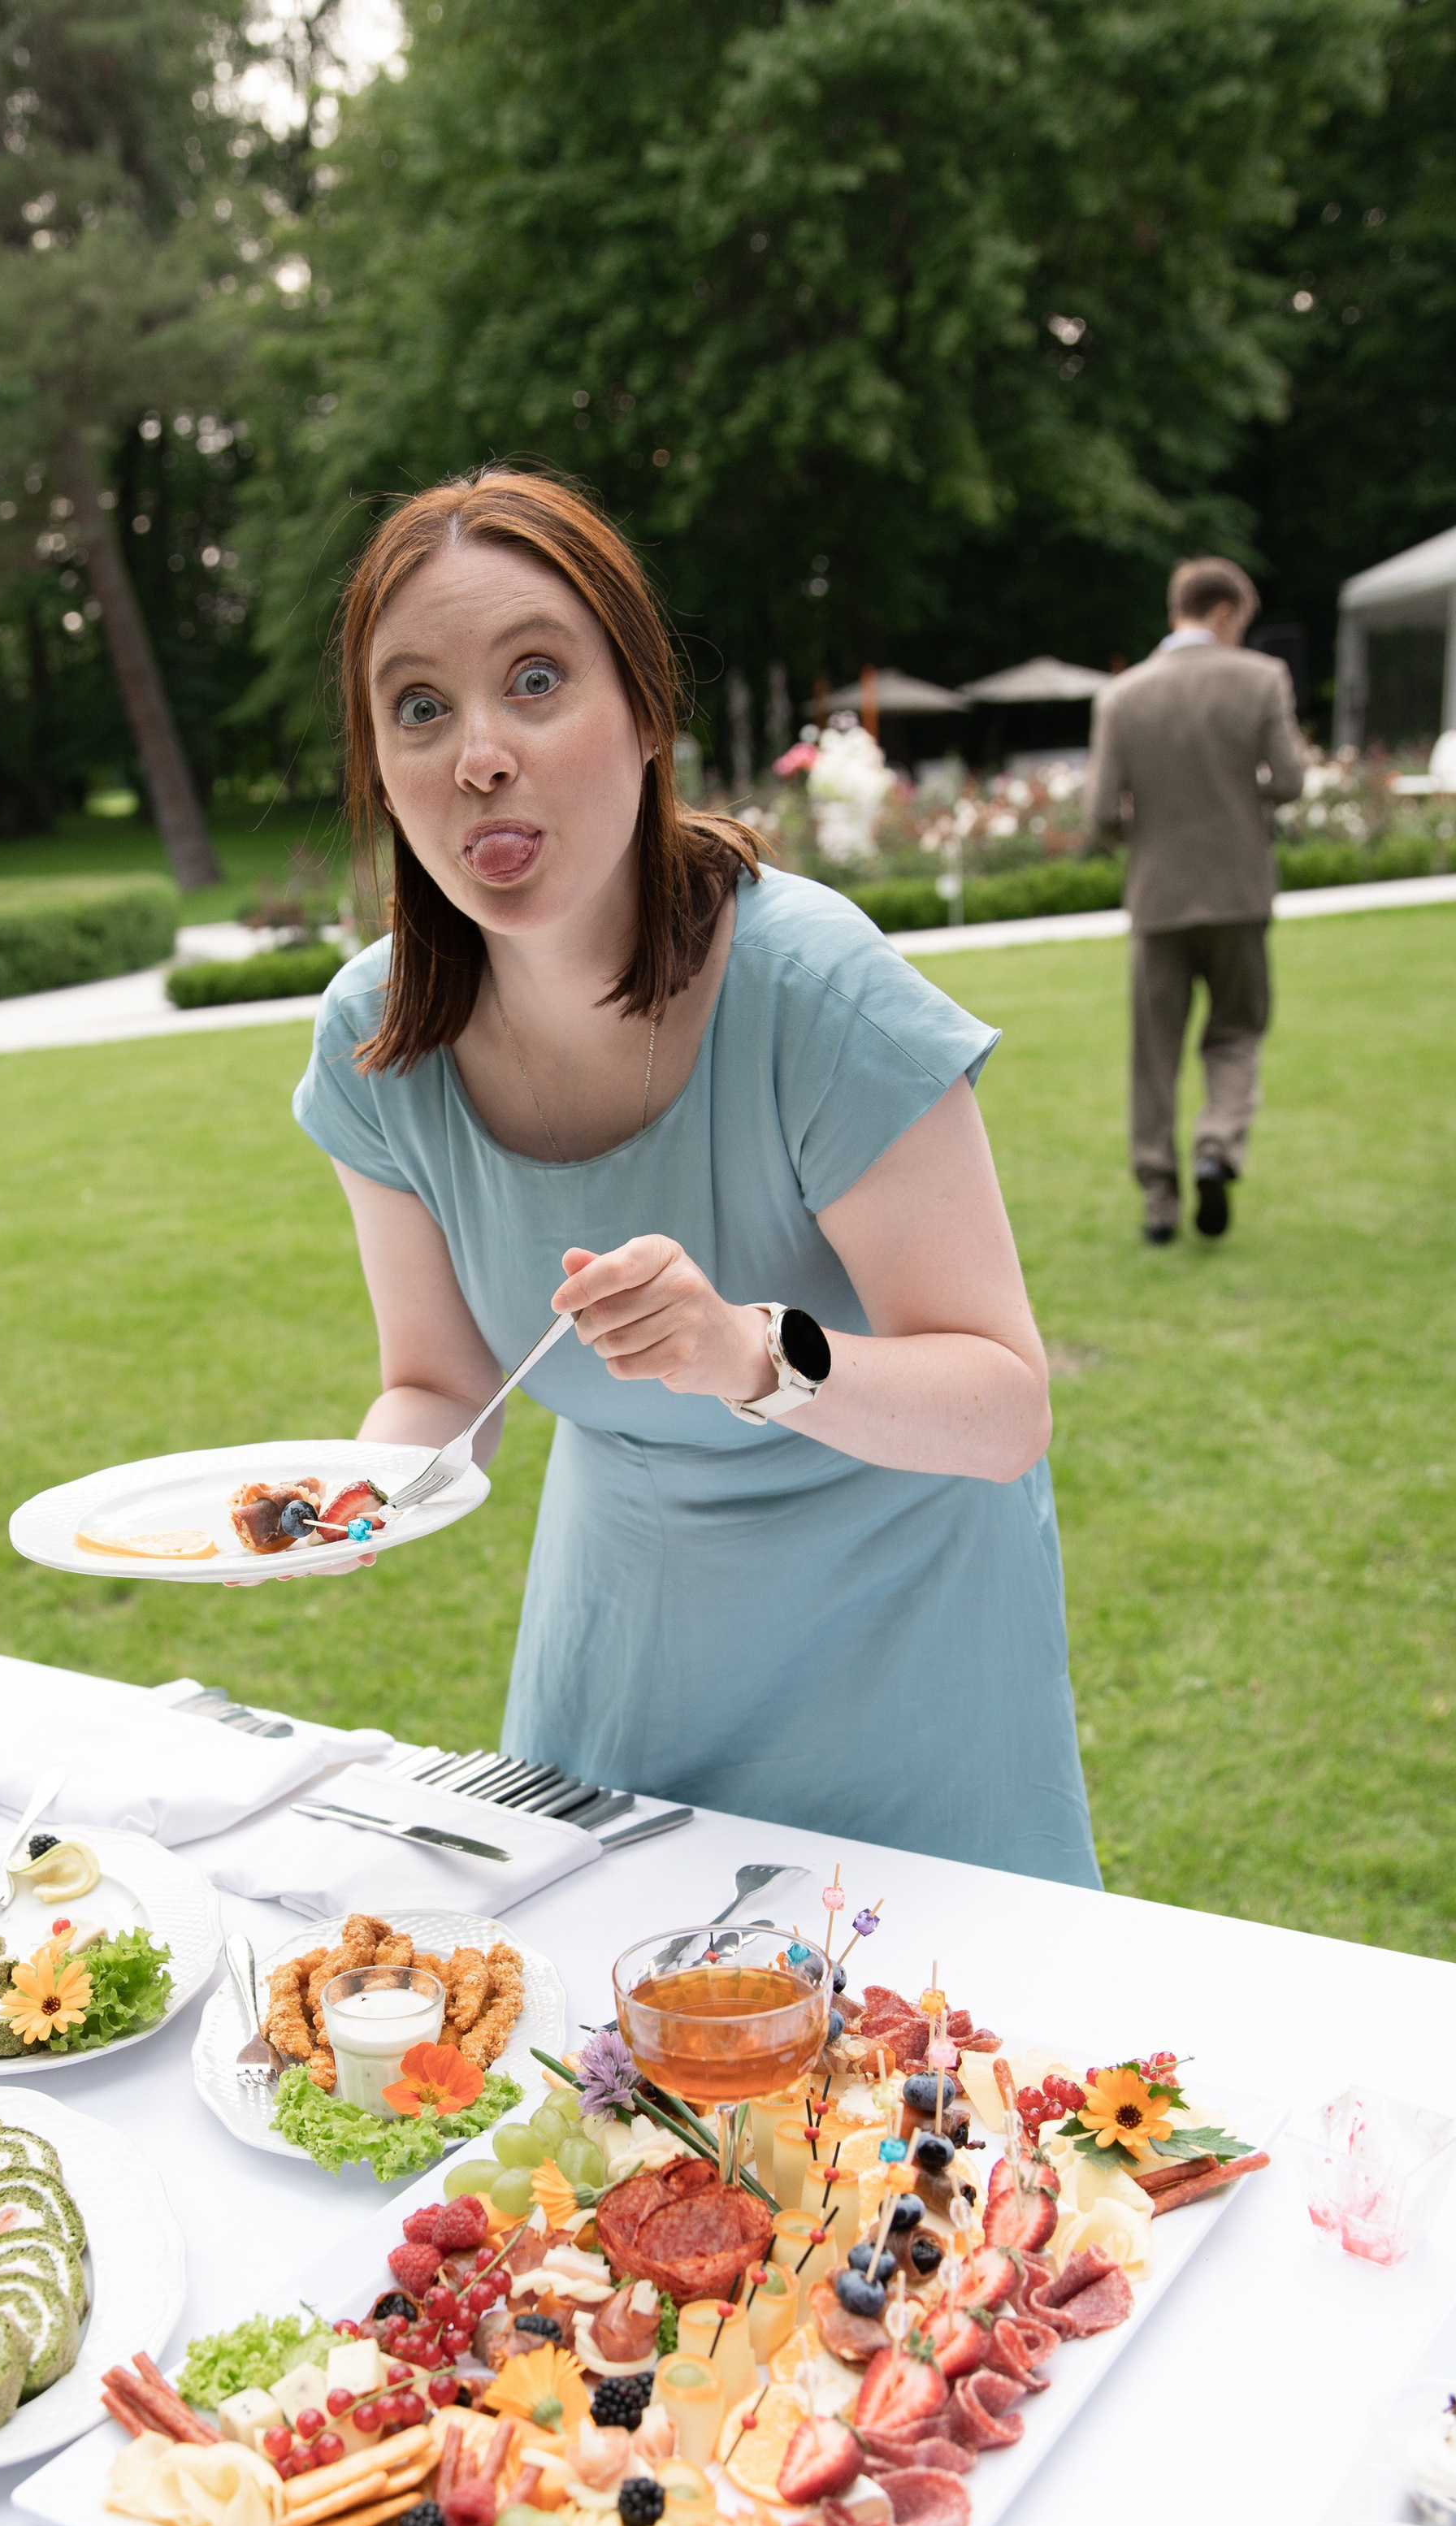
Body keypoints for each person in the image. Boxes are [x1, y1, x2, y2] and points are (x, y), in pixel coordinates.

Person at [292, 469, 1098, 1887]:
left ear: (649, 710)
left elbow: (1005, 1408)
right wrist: (359, 1494)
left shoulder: (816, 987)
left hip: (906, 1648)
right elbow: (436, 1381)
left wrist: (745, 1351)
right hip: (630, 1637)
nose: (479, 755)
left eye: (536, 680)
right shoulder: (377, 1034)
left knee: (905, 2018)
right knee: (591, 2011)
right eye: (419, 706)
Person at [1085, 557, 1306, 1244]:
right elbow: (1291, 781)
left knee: (1154, 1057)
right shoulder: (1261, 679)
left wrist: (1150, 832)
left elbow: (1101, 812)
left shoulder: (1122, 696)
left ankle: (1159, 1202)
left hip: (1159, 899)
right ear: (1226, 612)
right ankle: (1217, 1146)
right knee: (1237, 1033)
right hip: (1239, 893)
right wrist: (1240, 796)